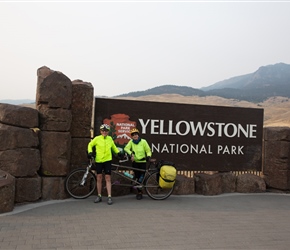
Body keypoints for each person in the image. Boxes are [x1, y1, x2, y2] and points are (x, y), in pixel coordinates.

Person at [87, 124, 123, 205]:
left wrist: (118, 153)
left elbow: (113, 147)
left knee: (108, 178)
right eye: (103, 131)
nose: (104, 132)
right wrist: (90, 152)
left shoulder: (110, 139)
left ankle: (109, 196)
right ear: (100, 131)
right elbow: (90, 144)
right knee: (99, 177)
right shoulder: (97, 138)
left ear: (108, 132)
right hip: (99, 160)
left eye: (106, 131)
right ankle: (99, 195)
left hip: (107, 160)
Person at [124, 128, 152, 200]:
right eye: (133, 135)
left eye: (136, 134)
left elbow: (148, 150)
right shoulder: (131, 142)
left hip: (142, 162)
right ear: (132, 136)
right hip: (135, 163)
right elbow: (126, 148)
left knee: (141, 178)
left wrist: (148, 156)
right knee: (136, 178)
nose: (135, 136)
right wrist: (131, 154)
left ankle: (140, 192)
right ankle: (139, 192)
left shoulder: (143, 142)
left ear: (138, 135)